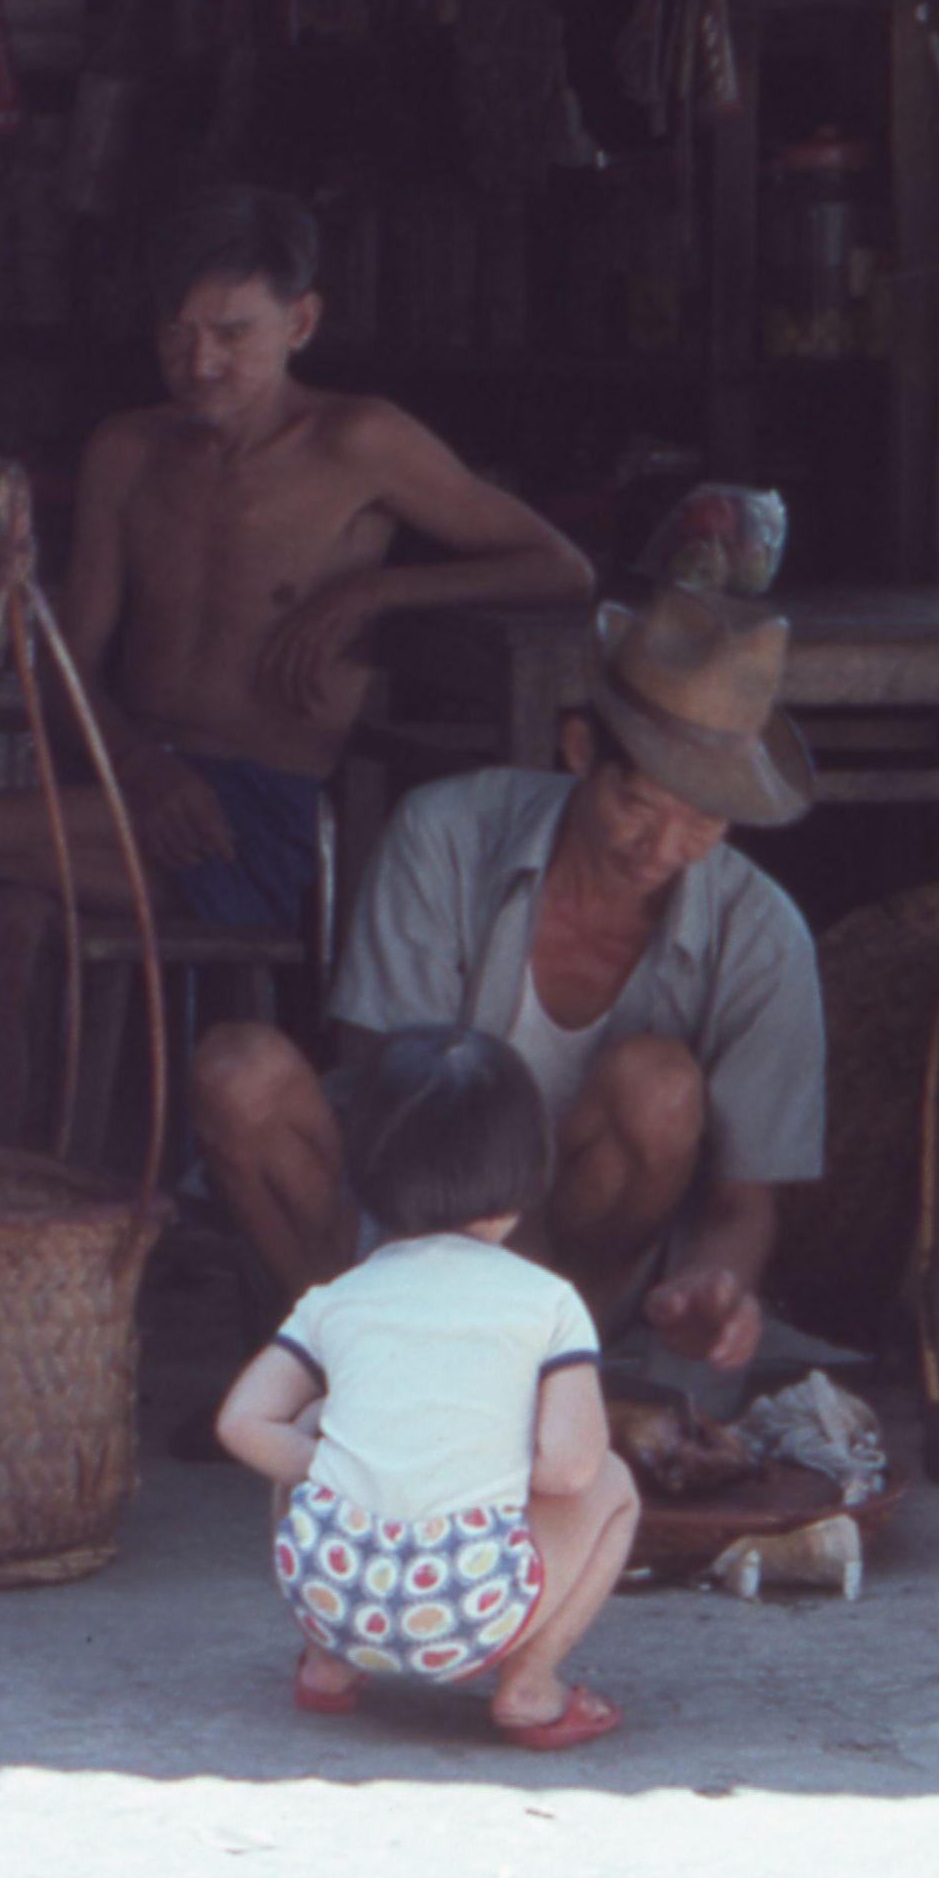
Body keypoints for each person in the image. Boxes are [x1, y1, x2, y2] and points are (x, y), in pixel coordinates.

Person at [0, 189, 593, 1148]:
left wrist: (375, 592)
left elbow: (561, 569)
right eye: (177, 333)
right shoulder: (126, 450)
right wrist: (137, 766)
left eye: (232, 334)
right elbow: (68, 662)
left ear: (301, 322)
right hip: (129, 789)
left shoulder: (359, 442)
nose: (199, 363)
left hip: (249, 820)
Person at [191, 585, 828, 1374]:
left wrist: (716, 1284)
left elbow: (745, 1202)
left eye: (701, 822)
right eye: (638, 804)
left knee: (658, 1084)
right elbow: (393, 1107)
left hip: (582, 1277)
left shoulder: (762, 935)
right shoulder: (443, 833)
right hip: (399, 1222)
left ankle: (551, 1370)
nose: (662, 850)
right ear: (579, 750)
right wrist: (455, 1299)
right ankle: (348, 1356)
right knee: (238, 1073)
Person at [214, 1026, 640, 1753]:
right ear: (528, 1170)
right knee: (616, 1485)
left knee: (316, 1417)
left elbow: (241, 1423)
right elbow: (572, 1468)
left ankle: (326, 1665)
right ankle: (530, 1686)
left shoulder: (336, 1298)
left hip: (332, 1596)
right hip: (468, 1613)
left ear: (366, 1171)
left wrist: (352, 1464)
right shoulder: (549, 1303)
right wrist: (480, 1467)